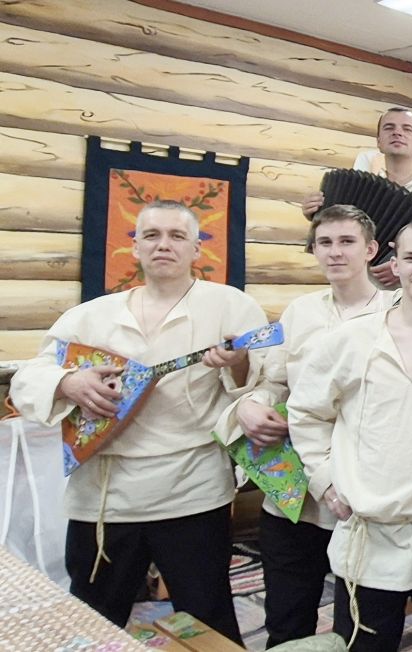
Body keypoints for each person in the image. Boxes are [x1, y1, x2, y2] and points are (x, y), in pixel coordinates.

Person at [11, 200, 266, 642]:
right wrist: (68, 383)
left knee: (208, 618)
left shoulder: (231, 307)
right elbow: (29, 378)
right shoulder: (91, 316)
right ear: (134, 247)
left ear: (197, 249)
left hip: (191, 491)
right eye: (151, 235)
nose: (163, 245)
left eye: (177, 236)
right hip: (104, 497)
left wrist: (239, 362)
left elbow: (265, 382)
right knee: (94, 620)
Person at [288, 219, 412, 652]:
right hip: (366, 540)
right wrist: (323, 479)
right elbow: (305, 411)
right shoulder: (350, 339)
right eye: (411, 258)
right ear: (394, 265)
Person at [215, 204, 394, 647]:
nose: (335, 252)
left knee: (360, 618)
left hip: (363, 487)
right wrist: (251, 405)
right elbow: (274, 381)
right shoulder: (300, 312)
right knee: (287, 613)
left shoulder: (397, 311)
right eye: (325, 243)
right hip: (295, 489)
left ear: (371, 249)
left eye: (347, 241)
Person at [302, 107, 412, 287]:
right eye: (389, 128)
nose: (397, 133)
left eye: (407, 129)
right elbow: (336, 240)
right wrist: (316, 216)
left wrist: (408, 266)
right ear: (379, 142)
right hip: (361, 290)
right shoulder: (357, 188)